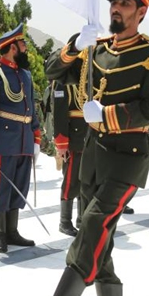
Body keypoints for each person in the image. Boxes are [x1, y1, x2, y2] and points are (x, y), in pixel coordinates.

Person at [23, 0, 149, 296]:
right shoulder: (96, 49)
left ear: (141, 11)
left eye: (125, 3)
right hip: (93, 155)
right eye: (113, 2)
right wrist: (74, 45)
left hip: (127, 158)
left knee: (91, 227)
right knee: (100, 242)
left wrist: (108, 115)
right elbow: (55, 71)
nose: (116, 8)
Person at [0, 24, 41, 253]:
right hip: (3, 139)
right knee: (2, 187)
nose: (25, 49)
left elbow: (32, 107)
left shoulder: (25, 75)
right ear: (12, 47)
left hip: (23, 139)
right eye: (23, 45)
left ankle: (13, 232)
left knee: (19, 186)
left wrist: (36, 137)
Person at [48, 56, 87, 237]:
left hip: (89, 137)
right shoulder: (62, 82)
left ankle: (82, 218)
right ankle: (65, 221)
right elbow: (60, 114)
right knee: (71, 180)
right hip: (73, 138)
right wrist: (61, 144)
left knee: (86, 180)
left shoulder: (89, 80)